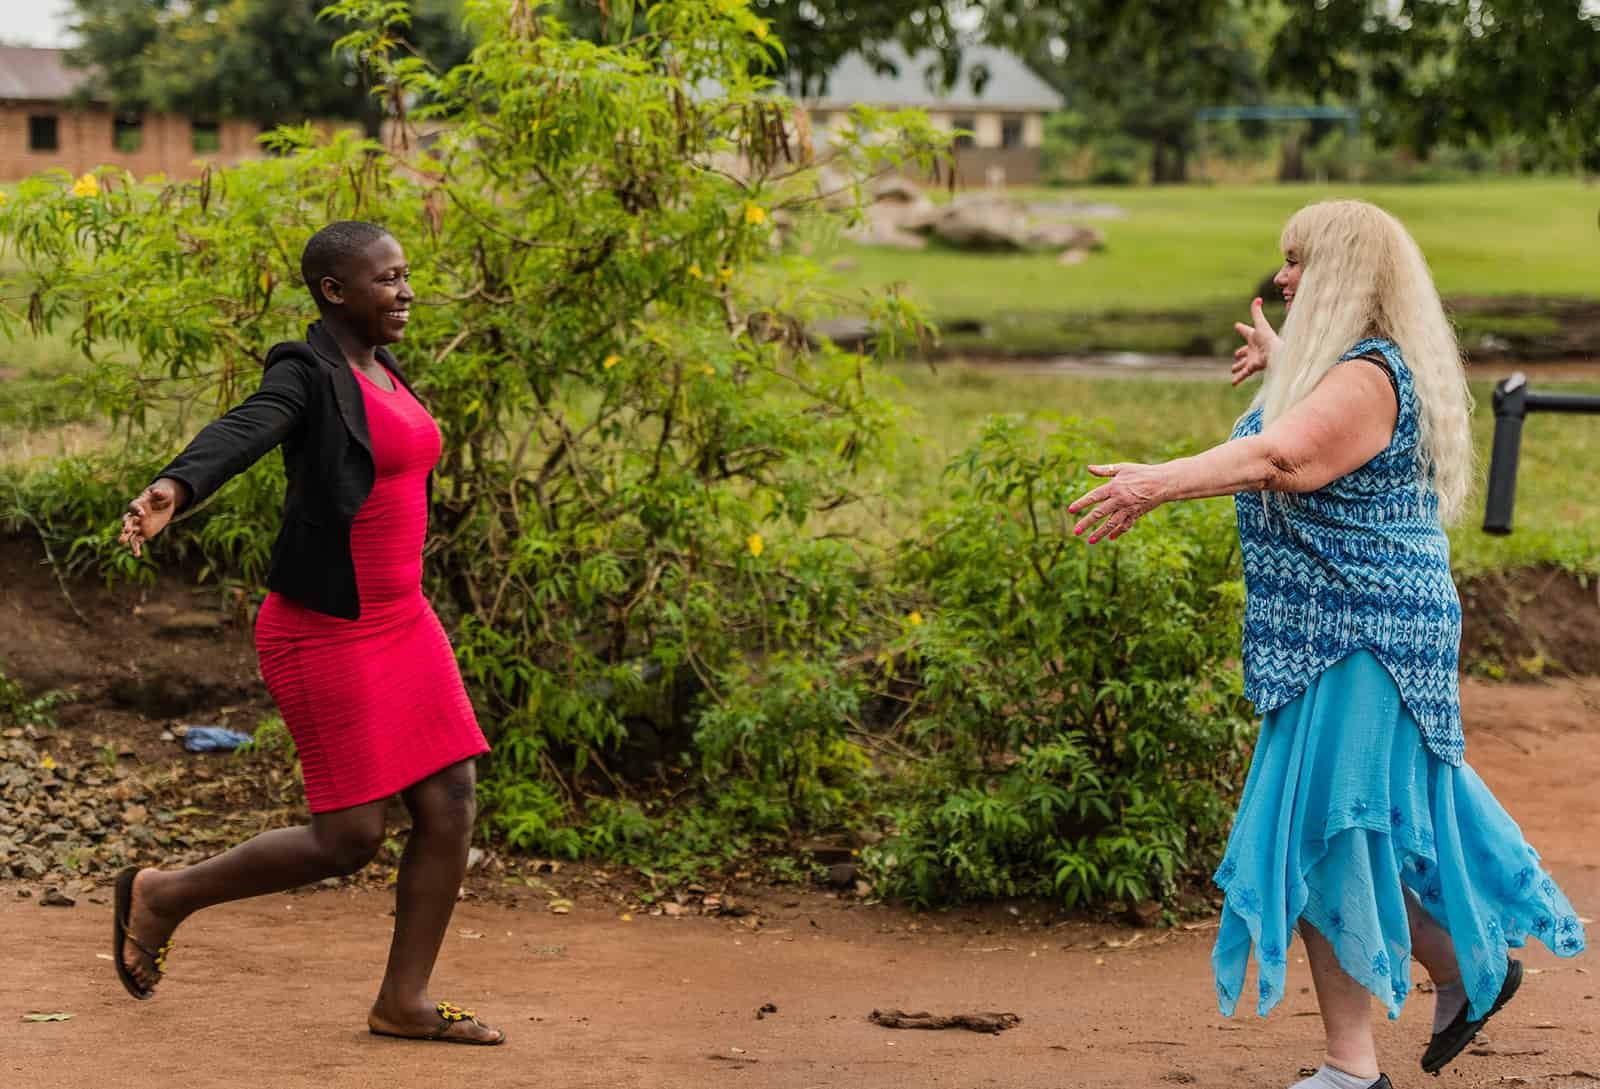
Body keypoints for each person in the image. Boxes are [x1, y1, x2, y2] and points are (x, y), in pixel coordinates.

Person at [1067, 199, 1583, 1089]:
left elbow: (1284, 459)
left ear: (1345, 276)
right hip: (1335, 634)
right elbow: (1314, 431)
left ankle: (1357, 1062)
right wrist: (1284, 360)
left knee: (1320, 833)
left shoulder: (1367, 378)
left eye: (1300, 262)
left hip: (1365, 636)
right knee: (1340, 831)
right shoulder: (1352, 370)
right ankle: (1459, 968)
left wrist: (1157, 481)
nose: (1284, 278)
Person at [113, 220, 504, 1045]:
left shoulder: (381, 363)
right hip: (324, 628)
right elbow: (248, 427)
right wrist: (177, 487)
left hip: (404, 618)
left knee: (451, 799)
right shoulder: (309, 371)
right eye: (386, 279)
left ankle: (404, 1000)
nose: (405, 292)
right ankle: (164, 894)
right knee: (348, 837)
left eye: (406, 275)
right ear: (334, 292)